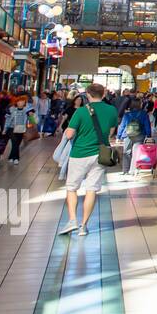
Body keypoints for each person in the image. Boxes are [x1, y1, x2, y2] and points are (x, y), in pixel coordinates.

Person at [60, 83, 119, 236]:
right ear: (103, 94)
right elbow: (111, 133)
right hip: (100, 154)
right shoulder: (111, 110)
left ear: (87, 94)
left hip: (79, 153)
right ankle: (84, 226)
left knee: (72, 187)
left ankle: (72, 219)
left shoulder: (80, 112)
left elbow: (69, 135)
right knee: (91, 189)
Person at [117, 96, 152, 175]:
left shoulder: (127, 114)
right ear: (139, 104)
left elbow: (122, 125)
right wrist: (149, 135)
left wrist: (118, 136)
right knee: (136, 152)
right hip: (140, 135)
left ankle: (125, 170)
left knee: (126, 152)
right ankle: (132, 170)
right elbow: (147, 125)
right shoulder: (143, 114)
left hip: (127, 135)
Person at [3, 95, 35, 165]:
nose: (20, 103)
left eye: (22, 101)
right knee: (14, 142)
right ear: (16, 102)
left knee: (17, 144)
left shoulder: (26, 110)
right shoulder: (11, 109)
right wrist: (5, 129)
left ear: (24, 103)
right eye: (19, 101)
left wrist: (31, 115)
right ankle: (16, 158)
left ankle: (11, 157)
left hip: (21, 129)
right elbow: (8, 120)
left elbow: (33, 121)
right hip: (12, 128)